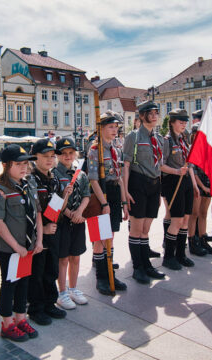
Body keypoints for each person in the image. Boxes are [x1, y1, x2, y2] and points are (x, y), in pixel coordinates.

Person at [0, 144, 42, 342]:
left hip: (27, 246)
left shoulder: (29, 183)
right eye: (18, 164)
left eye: (26, 164)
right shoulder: (0, 189)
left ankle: (21, 318)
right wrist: (16, 247)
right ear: (5, 165)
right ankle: (7, 323)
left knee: (23, 283)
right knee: (10, 283)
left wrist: (39, 240)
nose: (24, 168)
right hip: (10, 248)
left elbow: (37, 213)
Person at [87, 112, 133, 295]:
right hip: (100, 196)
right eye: (111, 127)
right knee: (100, 238)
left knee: (110, 237)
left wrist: (123, 202)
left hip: (113, 193)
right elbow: (93, 180)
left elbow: (120, 177)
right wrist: (104, 204)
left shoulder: (116, 149)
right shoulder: (94, 150)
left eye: (116, 127)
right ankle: (101, 278)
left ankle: (110, 273)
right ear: (101, 128)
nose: (115, 130)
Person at [26, 139, 71, 325]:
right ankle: (36, 308)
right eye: (45, 156)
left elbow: (56, 208)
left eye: (52, 156)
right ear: (35, 157)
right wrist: (42, 229)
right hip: (39, 234)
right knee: (37, 272)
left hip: (53, 230)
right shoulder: (31, 180)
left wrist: (65, 196)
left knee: (51, 269)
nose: (50, 160)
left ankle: (50, 303)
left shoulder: (53, 178)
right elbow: (28, 212)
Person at [123, 101, 165, 284]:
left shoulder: (158, 138)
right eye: (151, 112)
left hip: (154, 185)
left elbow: (159, 166)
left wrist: (160, 190)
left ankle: (147, 264)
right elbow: (125, 166)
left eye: (156, 112)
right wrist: (125, 192)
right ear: (142, 116)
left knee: (146, 229)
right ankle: (137, 268)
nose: (155, 115)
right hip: (138, 183)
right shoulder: (133, 137)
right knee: (137, 229)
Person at [161, 109, 200, 270]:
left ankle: (181, 254)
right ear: (172, 122)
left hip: (186, 182)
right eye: (180, 121)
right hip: (172, 181)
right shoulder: (167, 141)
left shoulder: (184, 140)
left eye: (185, 122)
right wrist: (176, 171)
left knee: (185, 220)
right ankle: (169, 256)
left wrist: (194, 184)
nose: (184, 124)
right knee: (176, 220)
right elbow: (160, 166)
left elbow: (189, 164)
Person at [54, 138, 90, 309]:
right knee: (63, 258)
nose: (68, 156)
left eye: (71, 153)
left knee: (75, 256)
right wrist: (69, 213)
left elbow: (86, 195)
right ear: (58, 155)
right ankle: (62, 292)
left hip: (78, 220)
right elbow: (53, 201)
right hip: (62, 221)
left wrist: (79, 212)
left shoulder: (80, 174)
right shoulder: (54, 174)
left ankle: (74, 288)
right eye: (64, 153)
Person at [188, 123, 212, 255]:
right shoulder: (191, 149)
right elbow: (193, 172)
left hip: (207, 183)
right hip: (197, 184)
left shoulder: (208, 149)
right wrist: (202, 186)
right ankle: (192, 242)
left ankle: (203, 238)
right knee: (194, 214)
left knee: (204, 214)